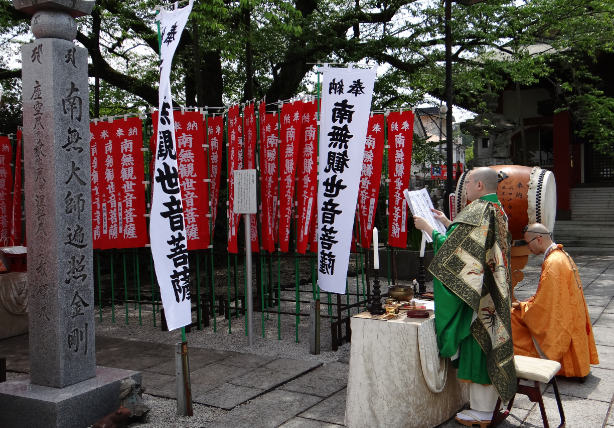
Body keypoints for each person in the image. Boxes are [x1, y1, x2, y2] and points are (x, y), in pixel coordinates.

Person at [413, 167, 516, 427]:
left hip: (478, 297)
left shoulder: (475, 210)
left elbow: (454, 255)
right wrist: (449, 223)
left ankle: (481, 411)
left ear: (479, 185)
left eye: (468, 182)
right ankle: (491, 405)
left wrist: (429, 228)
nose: (465, 187)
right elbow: (473, 244)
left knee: (478, 346)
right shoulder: (496, 210)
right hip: (494, 290)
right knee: (492, 341)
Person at [511, 223, 599, 378]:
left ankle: (533, 363)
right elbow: (549, 295)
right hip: (570, 313)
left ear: (538, 239)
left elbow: (546, 304)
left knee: (512, 318)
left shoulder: (553, 262)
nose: (527, 248)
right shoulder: (561, 255)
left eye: (527, 243)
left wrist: (524, 306)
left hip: (562, 317)